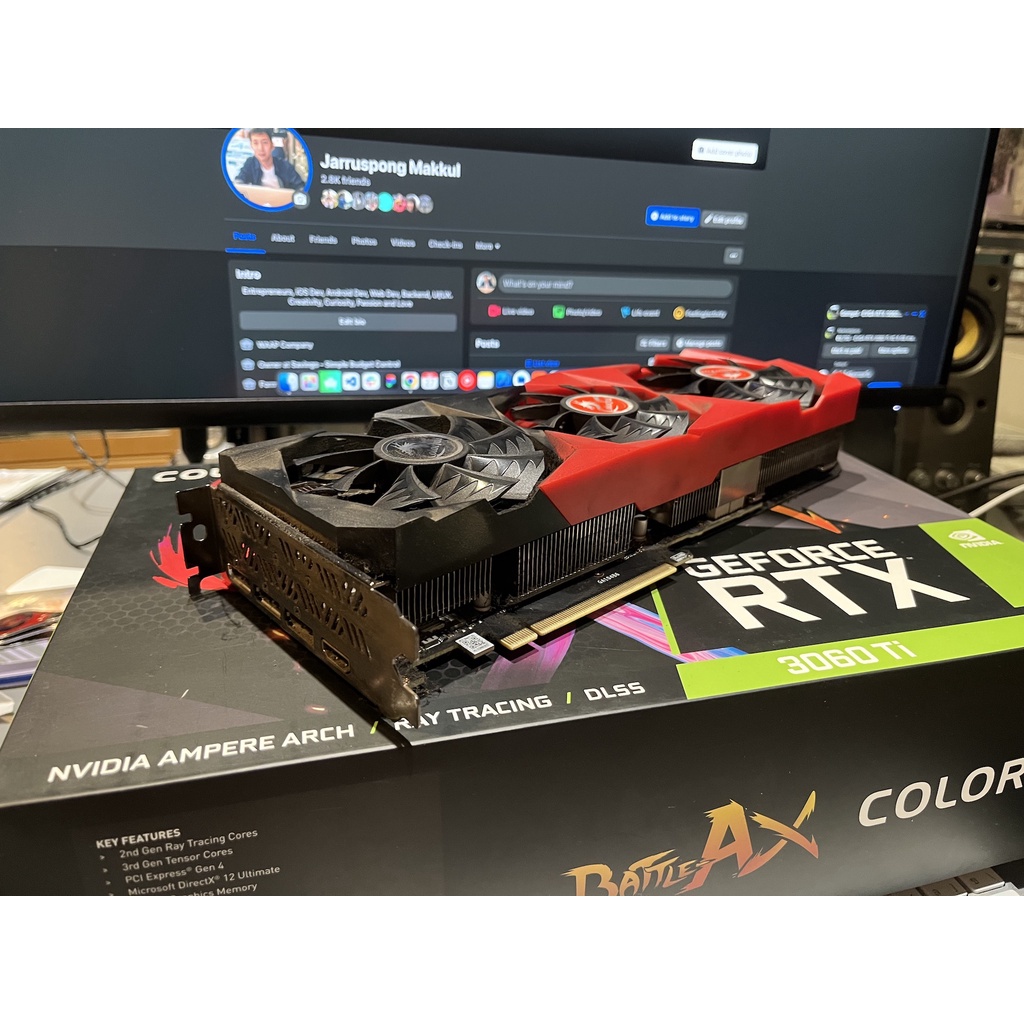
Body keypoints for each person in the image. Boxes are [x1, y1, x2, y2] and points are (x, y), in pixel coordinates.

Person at [235, 129, 305, 190]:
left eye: (265, 142)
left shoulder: (285, 166)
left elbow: (300, 186)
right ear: (251, 146)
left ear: (272, 145)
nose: (260, 148)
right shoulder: (250, 163)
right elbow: (239, 181)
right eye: (255, 143)